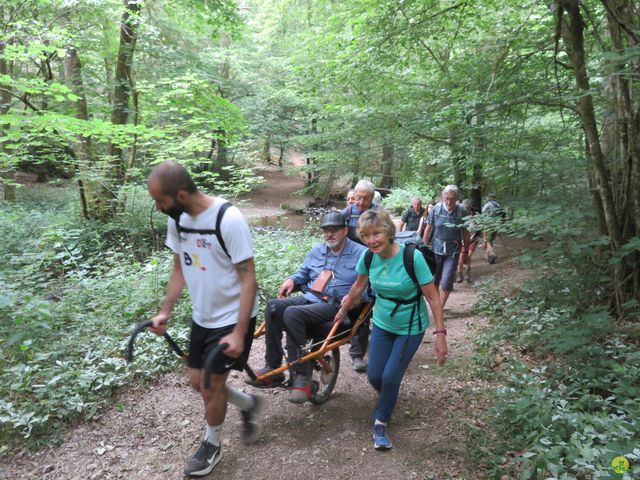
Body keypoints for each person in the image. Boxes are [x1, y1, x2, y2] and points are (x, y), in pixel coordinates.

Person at [147, 161, 262, 477]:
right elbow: (178, 269)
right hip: (203, 316)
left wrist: (239, 332)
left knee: (211, 386)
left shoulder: (229, 218)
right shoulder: (178, 219)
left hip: (232, 316)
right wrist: (164, 312)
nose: (158, 208)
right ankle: (248, 404)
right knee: (197, 382)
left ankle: (212, 444)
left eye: (161, 201)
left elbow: (249, 278)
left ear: (181, 194)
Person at [334, 209, 447, 451]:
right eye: (366, 235)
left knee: (389, 376)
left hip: (410, 326)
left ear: (388, 231)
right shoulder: (368, 256)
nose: (372, 240)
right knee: (375, 375)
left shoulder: (411, 257)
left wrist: (440, 336)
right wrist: (343, 311)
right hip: (383, 323)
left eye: (377, 233)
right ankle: (389, 395)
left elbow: (433, 298)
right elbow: (358, 286)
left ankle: (381, 421)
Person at [246, 212, 367, 403]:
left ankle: (302, 376)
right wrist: (292, 280)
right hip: (311, 296)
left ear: (345, 230)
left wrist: (356, 299)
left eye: (333, 230)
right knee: (274, 307)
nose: (329, 234)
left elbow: (369, 286)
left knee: (293, 314)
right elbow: (302, 273)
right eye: (326, 230)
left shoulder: (361, 254)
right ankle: (273, 368)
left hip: (335, 305)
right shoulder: (317, 251)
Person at [341, 179, 379, 372]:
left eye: (365, 198)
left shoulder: (378, 215)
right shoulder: (346, 214)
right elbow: (336, 236)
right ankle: (345, 337)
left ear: (372, 198)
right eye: (358, 198)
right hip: (349, 267)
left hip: (373, 266)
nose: (360, 202)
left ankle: (357, 354)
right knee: (347, 302)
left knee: (365, 307)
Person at [422, 185, 470, 308]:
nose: (449, 202)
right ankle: (437, 303)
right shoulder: (436, 210)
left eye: (452, 199)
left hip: (453, 251)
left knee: (447, 280)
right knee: (435, 280)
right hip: (436, 249)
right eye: (447, 198)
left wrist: (465, 252)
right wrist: (423, 248)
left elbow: (465, 232)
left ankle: (440, 307)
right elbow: (428, 230)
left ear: (457, 198)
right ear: (443, 197)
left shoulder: (462, 211)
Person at [456, 199, 479, 283]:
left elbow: (479, 228)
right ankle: (459, 274)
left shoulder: (475, 216)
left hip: (472, 240)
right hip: (462, 241)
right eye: (463, 208)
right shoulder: (459, 216)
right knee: (461, 256)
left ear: (470, 208)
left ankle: (468, 273)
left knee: (468, 256)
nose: (465, 209)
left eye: (466, 208)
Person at [481, 193, 504, 264]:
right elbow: (502, 214)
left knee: (487, 240)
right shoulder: (498, 205)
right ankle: (488, 255)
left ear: (489, 198)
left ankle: (492, 254)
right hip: (496, 224)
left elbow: (483, 212)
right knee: (490, 240)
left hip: (488, 223)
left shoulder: (488, 204)